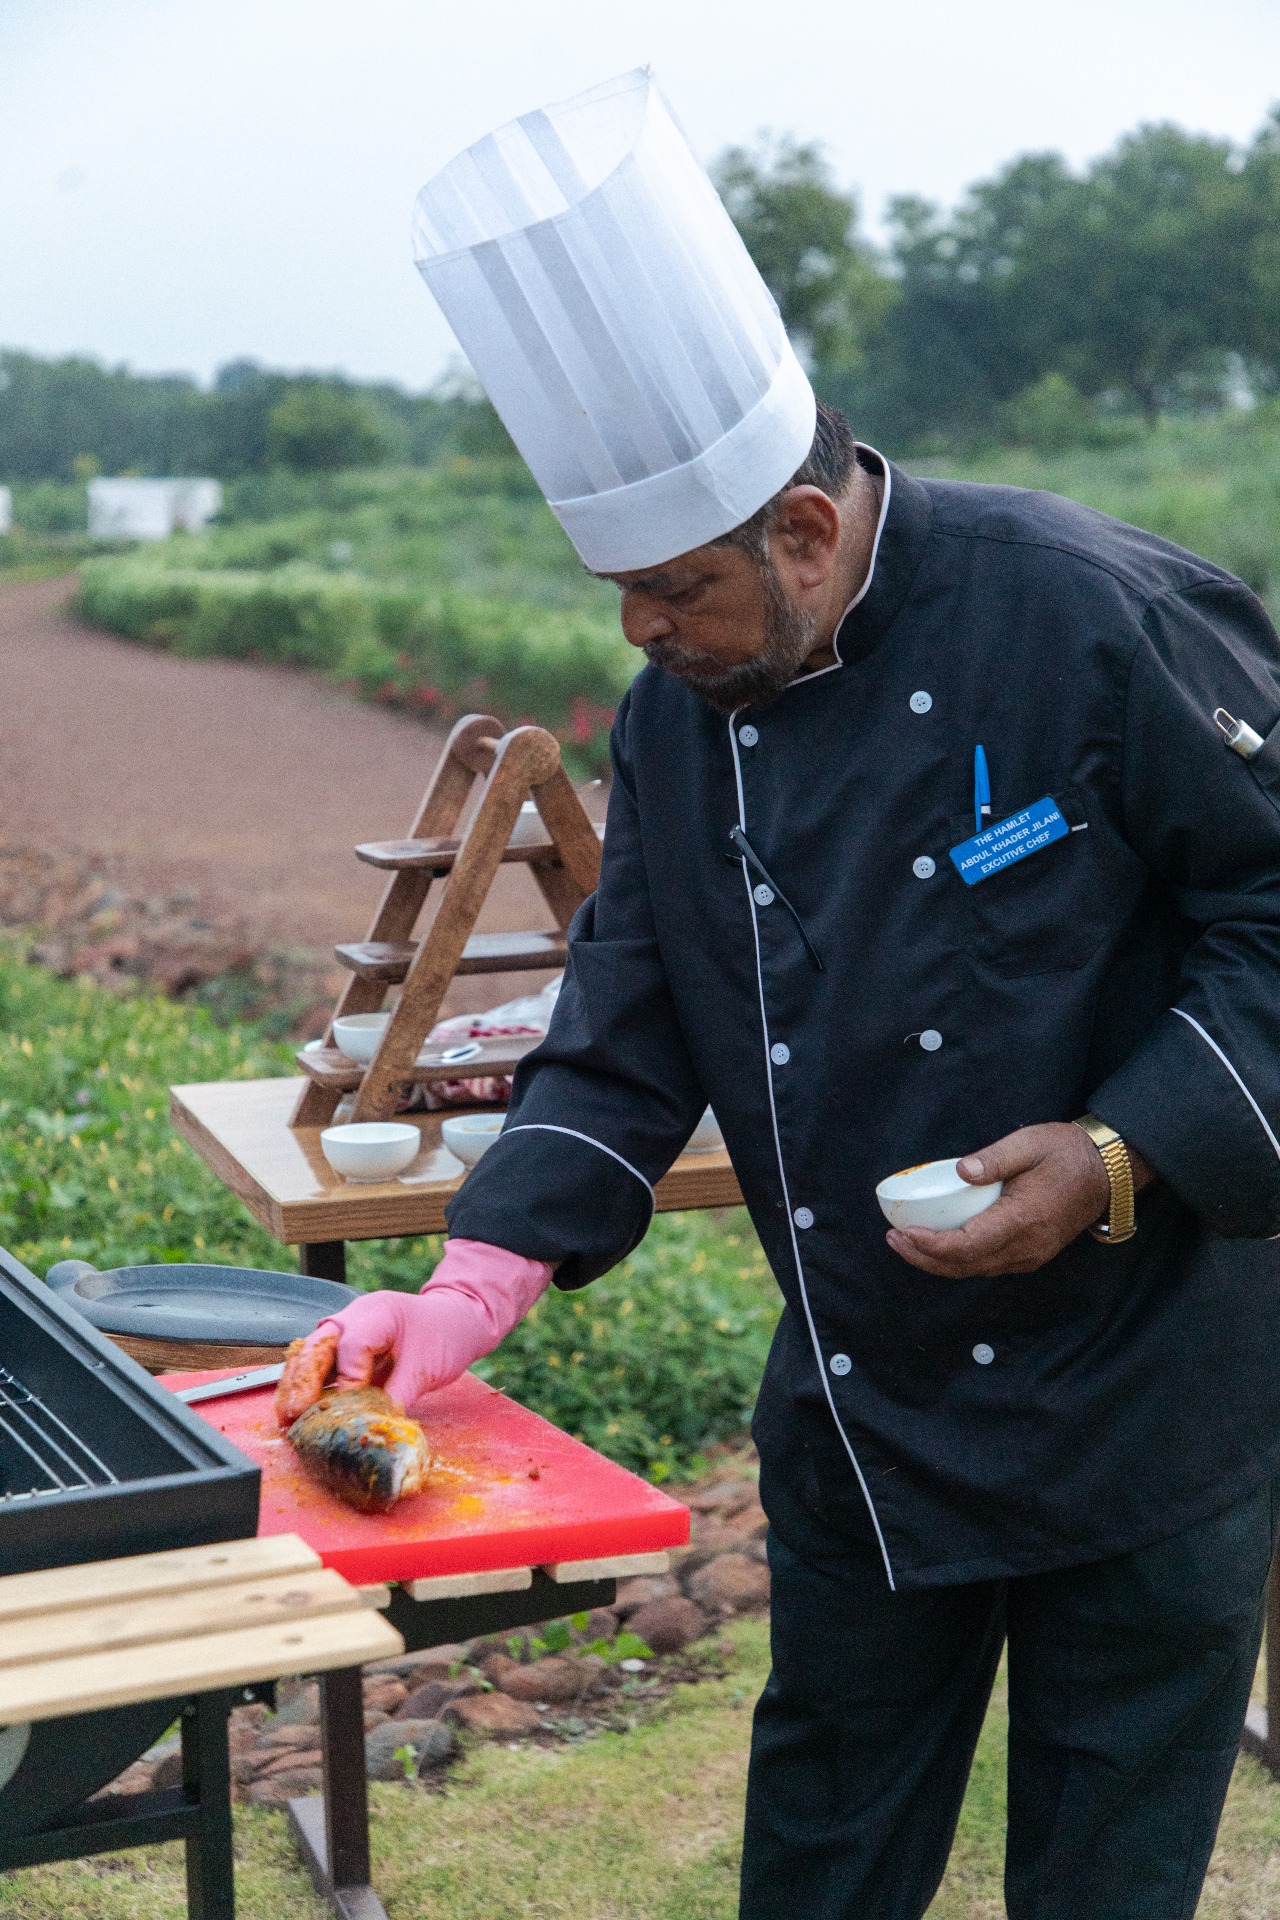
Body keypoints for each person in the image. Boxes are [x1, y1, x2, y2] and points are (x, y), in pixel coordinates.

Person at [283, 73, 1280, 1918]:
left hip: (1148, 1398)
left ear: (805, 534)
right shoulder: (683, 718)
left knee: (1107, 1874)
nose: (637, 631)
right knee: (821, 1860)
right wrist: (470, 1288)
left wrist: (1120, 1150)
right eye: (617, 589)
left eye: (674, 586)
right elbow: (629, 1016)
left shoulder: (1092, 613)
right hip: (864, 1403)